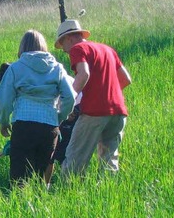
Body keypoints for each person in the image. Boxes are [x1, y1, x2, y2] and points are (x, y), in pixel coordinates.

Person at [0, 30, 75, 186]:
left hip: (23, 125)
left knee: (19, 177)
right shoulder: (57, 68)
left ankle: (21, 205)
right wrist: (59, 118)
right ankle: (40, 204)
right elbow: (70, 97)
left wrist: (4, 121)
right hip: (49, 125)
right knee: (42, 174)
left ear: (22, 46)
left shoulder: (15, 68)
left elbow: (4, 100)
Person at [54, 19, 132, 177]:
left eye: (63, 47)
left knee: (75, 158)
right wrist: (105, 93)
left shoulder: (78, 49)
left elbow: (84, 74)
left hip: (94, 113)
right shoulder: (107, 49)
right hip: (118, 112)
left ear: (68, 38)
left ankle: (67, 192)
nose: (65, 52)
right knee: (109, 160)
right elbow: (125, 79)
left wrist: (69, 102)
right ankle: (108, 191)